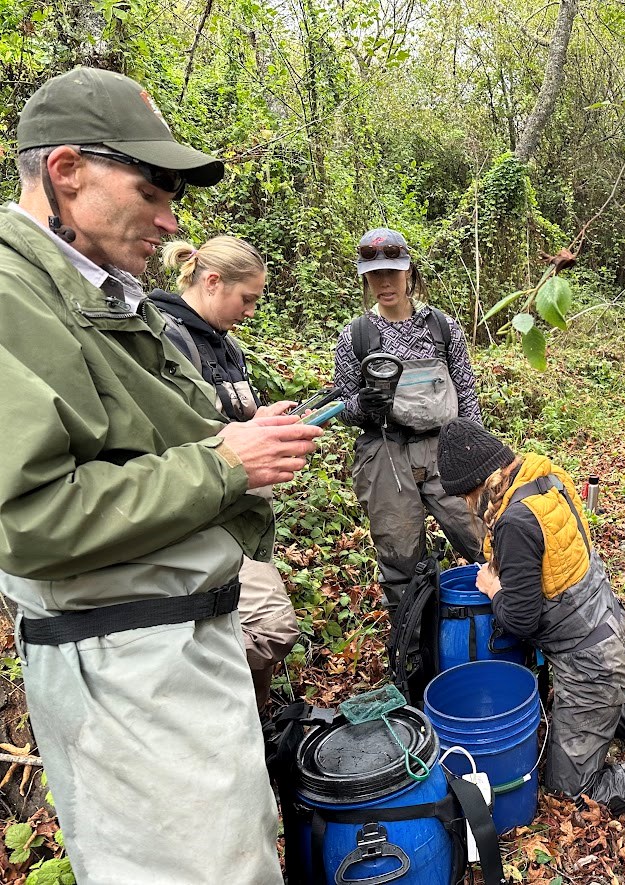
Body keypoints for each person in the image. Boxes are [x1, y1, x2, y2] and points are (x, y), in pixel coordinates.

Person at [0, 66, 322, 883]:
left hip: (178, 648)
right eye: (150, 189)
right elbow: (30, 518)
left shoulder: (95, 291)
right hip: (127, 673)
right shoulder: (12, 297)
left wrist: (239, 447)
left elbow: (132, 450)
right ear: (66, 171)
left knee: (236, 858)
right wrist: (223, 465)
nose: (169, 219)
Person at [436, 418, 625, 813]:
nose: (464, 507)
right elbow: (549, 565)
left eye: (463, 497)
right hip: (607, 627)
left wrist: (494, 590)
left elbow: (521, 620)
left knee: (572, 789)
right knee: (590, 702)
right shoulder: (544, 481)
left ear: (479, 485)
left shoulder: (513, 521)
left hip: (591, 660)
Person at [150, 236, 300, 709]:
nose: (251, 311)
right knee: (271, 626)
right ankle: (184, 693)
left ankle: (252, 731)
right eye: (247, 299)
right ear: (212, 281)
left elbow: (229, 423)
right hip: (199, 519)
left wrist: (265, 424)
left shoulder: (226, 345)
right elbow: (167, 435)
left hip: (238, 514)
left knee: (244, 622)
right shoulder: (165, 337)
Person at [333, 228, 484, 624]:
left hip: (445, 448)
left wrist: (475, 449)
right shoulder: (355, 336)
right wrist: (362, 405)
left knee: (485, 539)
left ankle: (500, 624)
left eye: (392, 273)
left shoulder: (442, 327)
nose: (384, 283)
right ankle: (413, 651)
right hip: (385, 454)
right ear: (364, 277)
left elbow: (466, 390)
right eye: (374, 274)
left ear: (409, 273)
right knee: (401, 561)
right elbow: (344, 408)